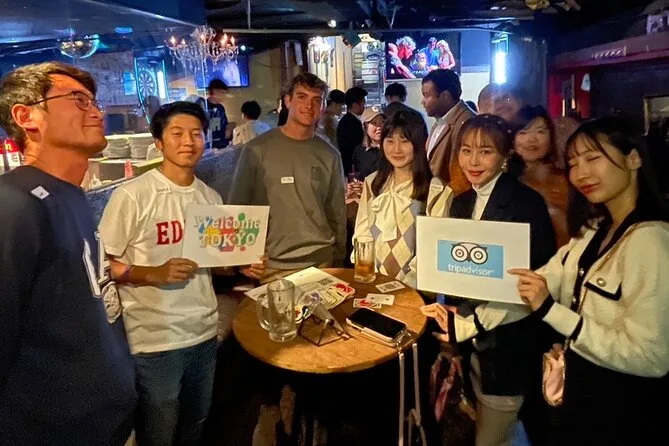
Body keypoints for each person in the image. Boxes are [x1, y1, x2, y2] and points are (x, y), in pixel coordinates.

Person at [99, 102, 265, 446]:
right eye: (177, 133)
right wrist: (151, 273)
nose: (188, 141)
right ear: (159, 142)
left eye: (196, 133)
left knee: (195, 424)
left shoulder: (209, 197)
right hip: (154, 339)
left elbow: (215, 261)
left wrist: (241, 265)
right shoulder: (133, 195)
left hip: (203, 330)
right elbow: (103, 266)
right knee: (158, 431)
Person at [510, 117, 669, 446]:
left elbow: (653, 357)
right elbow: (542, 279)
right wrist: (465, 317)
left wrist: (555, 314)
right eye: (573, 163)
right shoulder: (593, 229)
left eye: (593, 158)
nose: (581, 173)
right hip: (581, 398)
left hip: (623, 410)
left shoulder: (650, 240)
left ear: (633, 158)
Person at [0, 62, 136, 444]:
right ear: (26, 117)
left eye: (94, 102)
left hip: (104, 421)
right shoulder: (14, 203)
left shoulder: (72, 195)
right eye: (78, 100)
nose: (96, 112)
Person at [422, 115, 556, 446]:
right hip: (469, 342)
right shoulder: (461, 201)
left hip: (508, 345)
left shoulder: (527, 204)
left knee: (493, 436)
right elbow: (458, 272)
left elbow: (534, 285)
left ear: (505, 155)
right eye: (466, 150)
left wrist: (468, 325)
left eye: (485, 151)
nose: (473, 161)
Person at [228, 73, 346, 279]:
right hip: (272, 264)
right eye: (301, 97)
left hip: (321, 260)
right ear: (287, 100)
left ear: (322, 107)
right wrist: (241, 259)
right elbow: (238, 206)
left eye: (316, 100)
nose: (308, 105)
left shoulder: (330, 155)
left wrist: (339, 258)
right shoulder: (257, 149)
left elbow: (336, 213)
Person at [352, 111, 452, 288]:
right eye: (390, 141)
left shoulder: (436, 190)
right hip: (373, 285)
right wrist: (367, 276)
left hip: (415, 290)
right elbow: (362, 234)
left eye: (404, 141)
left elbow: (432, 249)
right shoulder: (372, 183)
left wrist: (403, 288)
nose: (396, 149)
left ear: (419, 143)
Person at [514, 105, 570, 248]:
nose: (532, 139)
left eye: (540, 131)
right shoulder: (507, 182)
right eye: (523, 132)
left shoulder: (568, 180)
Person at [421, 69, 476, 194]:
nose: (423, 102)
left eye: (427, 95)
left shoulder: (467, 123)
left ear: (445, 96)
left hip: (453, 198)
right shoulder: (440, 121)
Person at [337, 86, 367, 174]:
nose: (365, 106)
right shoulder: (348, 123)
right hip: (352, 169)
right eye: (363, 103)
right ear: (355, 104)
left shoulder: (352, 121)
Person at [351, 106, 385, 180]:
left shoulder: (391, 149)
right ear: (365, 127)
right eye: (374, 123)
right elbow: (355, 175)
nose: (379, 127)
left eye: (382, 122)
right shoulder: (359, 151)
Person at [207, 78, 230, 149]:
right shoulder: (204, 106)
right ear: (214, 91)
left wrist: (228, 129)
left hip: (222, 145)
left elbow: (225, 124)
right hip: (210, 146)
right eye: (222, 92)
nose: (224, 96)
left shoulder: (221, 108)